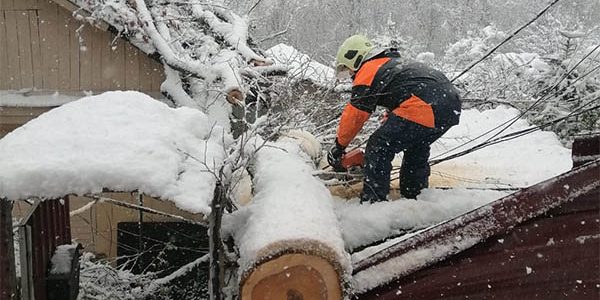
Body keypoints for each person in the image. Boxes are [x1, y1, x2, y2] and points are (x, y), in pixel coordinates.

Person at [327, 35, 461, 203]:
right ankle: (415, 197)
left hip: (424, 106)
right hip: (449, 107)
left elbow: (355, 114)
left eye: (348, 69)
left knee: (378, 146)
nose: (351, 75)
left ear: (356, 58)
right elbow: (407, 88)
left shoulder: (369, 69)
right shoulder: (392, 64)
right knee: (416, 146)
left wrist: (339, 146)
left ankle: (373, 203)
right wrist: (394, 114)